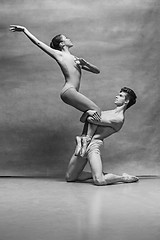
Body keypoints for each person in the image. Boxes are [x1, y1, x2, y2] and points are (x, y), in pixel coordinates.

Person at [9, 25, 101, 136]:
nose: (69, 39)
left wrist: (86, 64)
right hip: (69, 91)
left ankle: (83, 137)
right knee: (96, 110)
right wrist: (25, 30)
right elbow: (38, 43)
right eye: (66, 38)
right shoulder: (59, 55)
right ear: (62, 44)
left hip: (72, 92)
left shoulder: (76, 60)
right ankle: (87, 138)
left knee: (92, 113)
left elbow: (97, 71)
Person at [66, 87, 139, 186]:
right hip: (83, 143)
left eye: (120, 95)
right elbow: (83, 119)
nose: (117, 96)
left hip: (93, 145)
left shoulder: (118, 119)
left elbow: (92, 120)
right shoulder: (107, 112)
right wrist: (87, 112)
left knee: (99, 181)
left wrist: (90, 113)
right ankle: (98, 174)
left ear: (126, 101)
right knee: (70, 177)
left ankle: (124, 177)